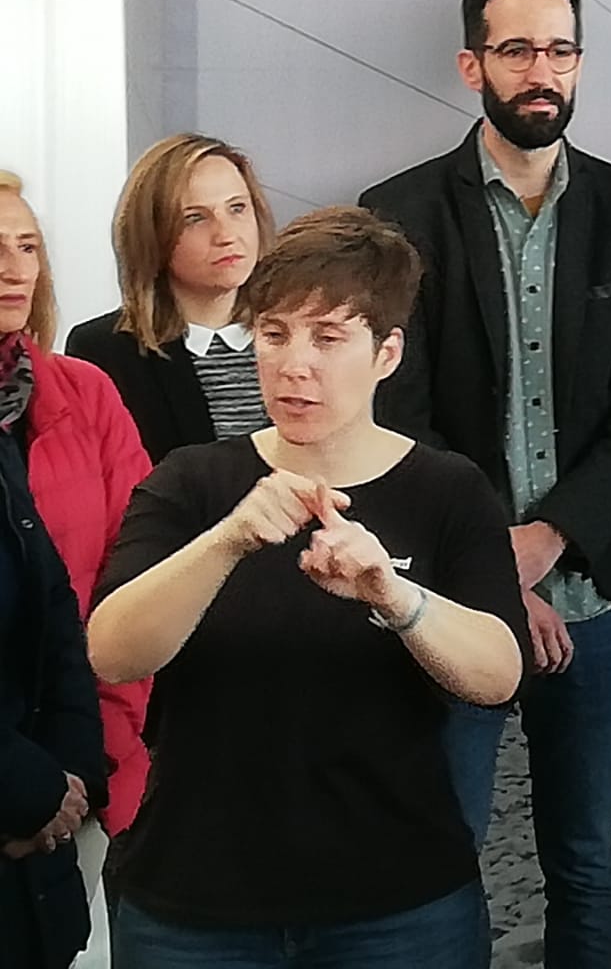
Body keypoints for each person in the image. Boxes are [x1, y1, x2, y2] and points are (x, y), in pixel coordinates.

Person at [88, 206, 526, 969]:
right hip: (195, 904)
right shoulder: (193, 479)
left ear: (386, 353)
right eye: (276, 333)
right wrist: (227, 540)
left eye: (329, 338)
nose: (296, 364)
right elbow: (114, 652)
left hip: (399, 905)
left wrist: (395, 597)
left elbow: (498, 675)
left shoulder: (447, 489)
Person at [359, 0, 611, 969]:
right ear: (472, 65)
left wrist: (549, 539)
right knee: (440, 854)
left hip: (596, 596)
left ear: (578, 62)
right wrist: (495, 564)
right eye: (516, 50)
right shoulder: (401, 208)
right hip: (451, 598)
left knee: (587, 861)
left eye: (559, 49)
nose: (541, 70)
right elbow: (397, 412)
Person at [0, 172, 152, 956]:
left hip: (84, 758)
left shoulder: (84, 392)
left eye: (28, 246)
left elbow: (133, 574)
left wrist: (82, 768)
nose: (14, 267)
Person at [66, 134, 277, 464]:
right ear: (153, 233)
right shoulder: (103, 349)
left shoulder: (307, 332)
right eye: (195, 217)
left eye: (237, 208)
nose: (227, 235)